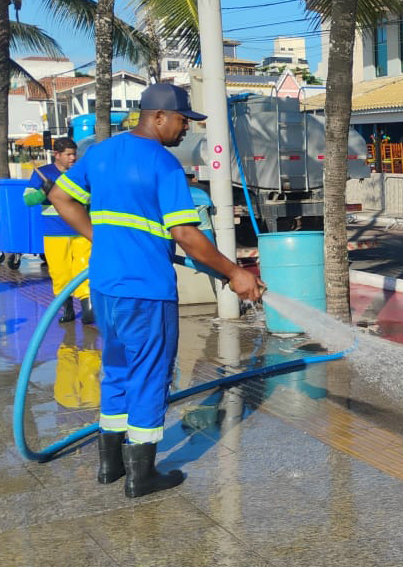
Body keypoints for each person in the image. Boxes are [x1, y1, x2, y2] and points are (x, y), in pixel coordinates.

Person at [49, 82, 264, 499]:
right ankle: (142, 475)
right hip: (146, 290)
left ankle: (110, 465)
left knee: (116, 370)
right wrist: (235, 272)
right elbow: (185, 233)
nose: (187, 129)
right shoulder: (163, 166)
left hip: (106, 288)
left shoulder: (102, 153)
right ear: (159, 116)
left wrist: (101, 238)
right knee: (149, 375)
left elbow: (60, 196)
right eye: (184, 120)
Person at [23, 138, 94, 324]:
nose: (73, 158)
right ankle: (67, 308)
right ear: (57, 155)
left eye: (74, 154)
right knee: (60, 273)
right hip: (54, 231)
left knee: (84, 268)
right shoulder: (43, 173)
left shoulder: (80, 172)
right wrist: (43, 192)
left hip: (81, 229)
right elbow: (28, 200)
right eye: (68, 155)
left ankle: (88, 308)